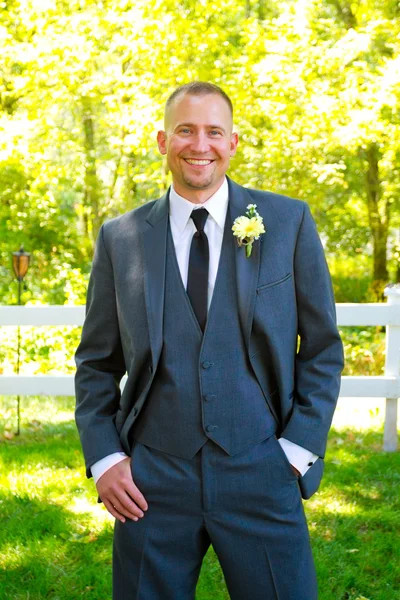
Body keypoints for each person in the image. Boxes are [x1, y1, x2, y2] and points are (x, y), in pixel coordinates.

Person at [75, 81, 344, 600]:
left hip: (264, 468)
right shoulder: (121, 237)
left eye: (214, 132)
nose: (201, 144)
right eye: (186, 130)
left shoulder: (287, 223)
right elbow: (95, 362)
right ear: (162, 141)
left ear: (233, 143)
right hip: (151, 482)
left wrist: (296, 450)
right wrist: (107, 459)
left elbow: (322, 349)